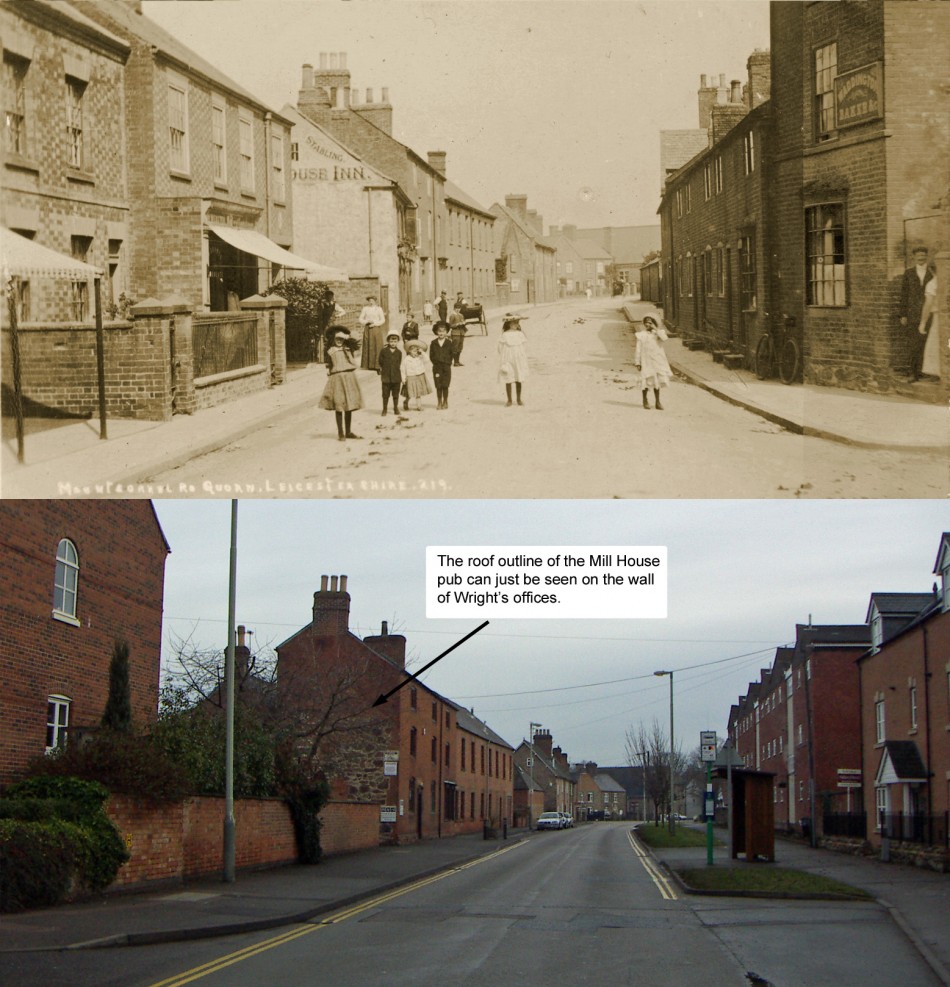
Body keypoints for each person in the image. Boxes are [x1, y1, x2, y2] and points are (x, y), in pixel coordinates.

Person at [319, 326, 363, 440]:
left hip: (349, 377)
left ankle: (348, 432)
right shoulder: (330, 350)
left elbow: (357, 342)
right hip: (337, 378)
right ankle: (341, 433)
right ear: (333, 339)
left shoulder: (348, 348)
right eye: (337, 338)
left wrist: (348, 335)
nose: (339, 341)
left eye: (341, 338)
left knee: (349, 405)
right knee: (339, 405)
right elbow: (328, 363)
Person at [898, 246, 934, 381]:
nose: (921, 258)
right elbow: (904, 294)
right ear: (913, 257)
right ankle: (913, 372)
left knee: (927, 342)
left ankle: (924, 371)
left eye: (923, 255)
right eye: (918, 255)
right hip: (912, 313)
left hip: (929, 312)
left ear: (927, 256)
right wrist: (903, 314)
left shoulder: (932, 273)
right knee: (914, 343)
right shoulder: (908, 273)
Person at [635, 314, 672, 410]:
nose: (647, 324)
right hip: (646, 360)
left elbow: (665, 339)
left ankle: (658, 402)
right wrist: (638, 362)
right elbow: (638, 349)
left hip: (657, 360)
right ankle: (645, 400)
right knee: (646, 379)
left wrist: (655, 329)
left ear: (654, 323)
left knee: (657, 381)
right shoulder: (641, 335)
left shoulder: (659, 333)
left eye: (650, 322)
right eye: (646, 322)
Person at [498, 313, 529, 406]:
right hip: (508, 358)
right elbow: (500, 347)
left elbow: (523, 346)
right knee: (508, 377)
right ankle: (509, 400)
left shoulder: (520, 334)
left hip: (518, 358)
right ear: (510, 324)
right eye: (515, 323)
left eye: (518, 323)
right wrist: (504, 357)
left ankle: (519, 399)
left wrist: (521, 355)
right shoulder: (505, 335)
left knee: (518, 377)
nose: (517, 325)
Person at [918, 262, 940, 380]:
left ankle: (939, 372)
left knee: (936, 343)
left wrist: (923, 323)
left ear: (931, 271)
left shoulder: (932, 284)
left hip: (939, 318)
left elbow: (928, 304)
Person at [429, 321, 454, 409]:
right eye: (439, 331)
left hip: (446, 367)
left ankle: (445, 401)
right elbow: (431, 355)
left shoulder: (449, 343)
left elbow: (451, 354)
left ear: (446, 332)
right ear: (436, 332)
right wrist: (436, 363)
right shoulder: (433, 343)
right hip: (437, 367)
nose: (441, 333)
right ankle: (439, 401)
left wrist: (448, 363)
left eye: (443, 331)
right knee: (438, 385)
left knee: (445, 384)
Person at [377, 332, 403, 416]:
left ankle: (395, 408)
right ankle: (384, 409)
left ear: (397, 342)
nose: (393, 343)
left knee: (395, 394)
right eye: (391, 341)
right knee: (385, 394)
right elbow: (380, 361)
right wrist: (383, 369)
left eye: (395, 341)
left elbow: (399, 363)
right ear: (388, 341)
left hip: (396, 377)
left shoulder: (399, 352)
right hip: (386, 377)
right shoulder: (384, 351)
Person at [402, 339, 432, 411]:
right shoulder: (406, 359)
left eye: (416, 351)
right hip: (410, 377)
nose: (415, 353)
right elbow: (403, 370)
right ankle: (406, 401)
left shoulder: (420, 357)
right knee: (410, 393)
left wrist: (422, 352)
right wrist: (403, 378)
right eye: (413, 351)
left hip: (419, 376)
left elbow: (427, 360)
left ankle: (419, 406)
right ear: (409, 351)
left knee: (418, 392)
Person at [358, 295, 386, 373]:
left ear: (375, 301)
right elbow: (360, 319)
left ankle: (377, 365)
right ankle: (367, 365)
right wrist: (366, 321)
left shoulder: (379, 309)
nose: (371, 302)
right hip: (367, 328)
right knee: (368, 345)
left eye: (372, 300)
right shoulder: (365, 309)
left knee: (377, 345)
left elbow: (383, 320)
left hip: (376, 328)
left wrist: (375, 323)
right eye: (369, 300)